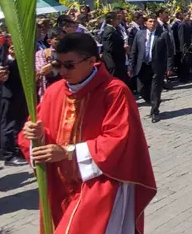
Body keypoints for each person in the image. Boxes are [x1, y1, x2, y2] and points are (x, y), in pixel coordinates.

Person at [18, 33, 156, 233]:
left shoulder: (114, 92)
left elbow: (119, 140)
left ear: (92, 61)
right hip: (59, 184)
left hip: (101, 182)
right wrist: (35, 135)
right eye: (57, 65)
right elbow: (33, 134)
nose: (62, 71)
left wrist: (68, 152)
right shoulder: (53, 92)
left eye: (69, 65)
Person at [129, 14, 174, 123]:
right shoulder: (139, 34)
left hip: (156, 67)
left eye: (154, 22)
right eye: (150, 21)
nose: (152, 24)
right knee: (141, 89)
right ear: (145, 23)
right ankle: (154, 101)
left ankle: (155, 111)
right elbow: (134, 51)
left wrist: (169, 67)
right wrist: (131, 66)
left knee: (155, 89)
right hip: (143, 66)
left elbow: (169, 52)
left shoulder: (163, 35)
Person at [101, 12, 130, 90]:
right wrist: (123, 48)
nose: (119, 21)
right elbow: (109, 48)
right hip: (113, 61)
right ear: (111, 20)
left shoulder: (113, 30)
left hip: (118, 61)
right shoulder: (109, 31)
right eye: (117, 19)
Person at [35, 27, 65, 100]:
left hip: (66, 91)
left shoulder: (71, 53)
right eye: (57, 39)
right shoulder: (42, 53)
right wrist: (56, 62)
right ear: (49, 41)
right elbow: (42, 71)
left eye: (63, 39)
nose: (61, 42)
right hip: (48, 92)